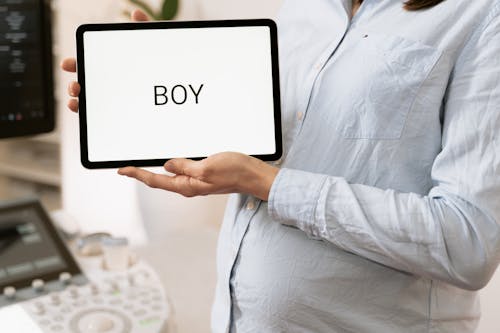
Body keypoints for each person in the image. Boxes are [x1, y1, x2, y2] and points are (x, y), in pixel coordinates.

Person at [62, 0, 500, 331]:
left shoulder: (481, 15)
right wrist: (158, 85)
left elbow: (468, 242)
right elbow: (275, 139)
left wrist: (269, 183)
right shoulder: (303, 6)